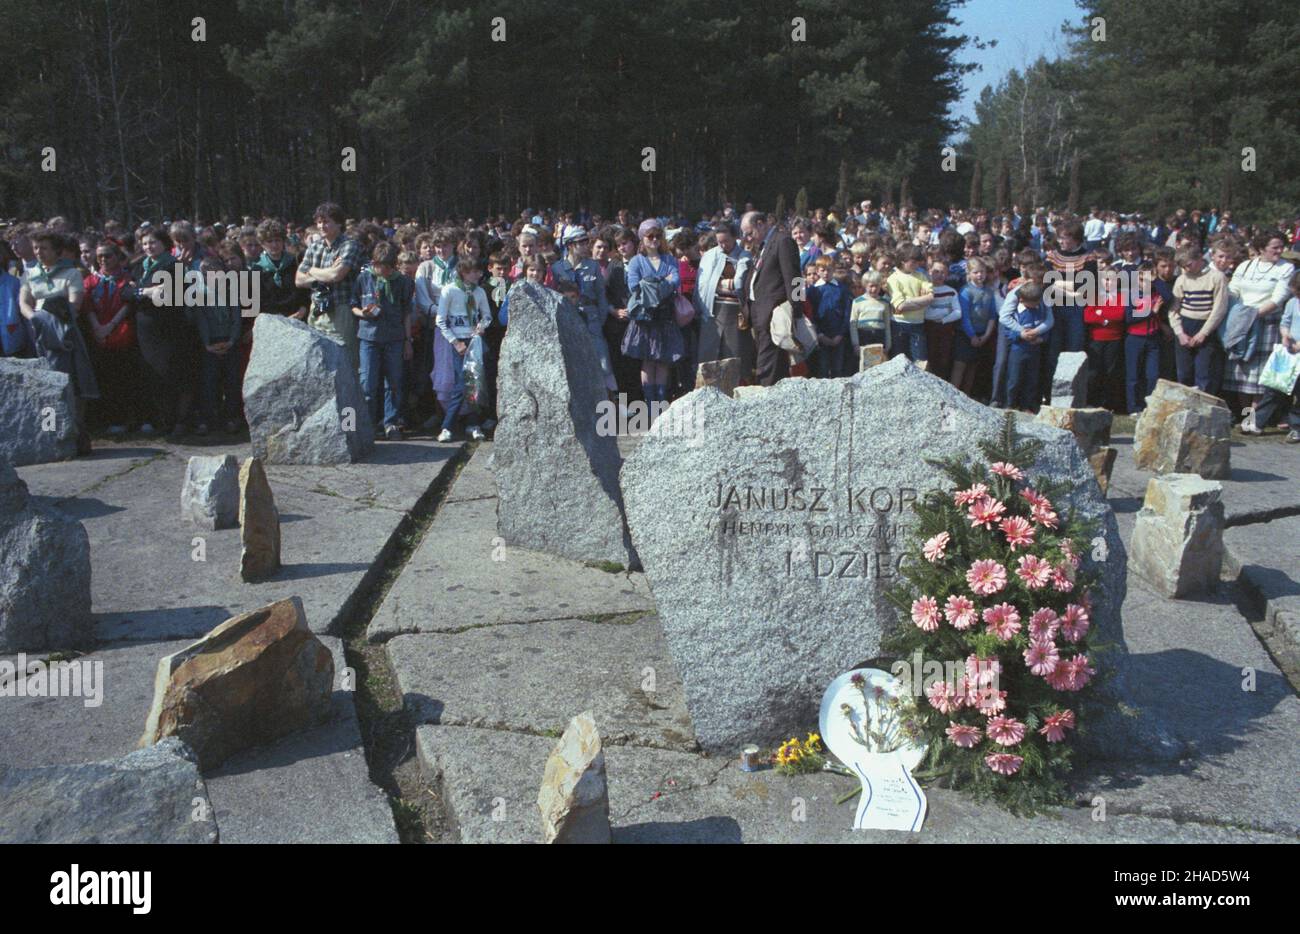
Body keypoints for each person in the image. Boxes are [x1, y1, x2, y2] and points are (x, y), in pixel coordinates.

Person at [20, 229, 99, 452]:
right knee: (45, 386)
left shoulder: (70, 273)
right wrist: (35, 317)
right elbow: (24, 302)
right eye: (36, 248)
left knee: (73, 384)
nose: (39, 252)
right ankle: (51, 433)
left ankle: (77, 431)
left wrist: (51, 313)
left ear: (57, 251)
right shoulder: (30, 273)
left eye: (44, 248)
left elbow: (74, 304)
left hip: (65, 334)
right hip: (39, 335)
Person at [1229, 232, 1296, 433]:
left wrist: (1253, 315)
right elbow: (1233, 289)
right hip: (1242, 321)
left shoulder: (1286, 268)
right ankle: (1246, 416)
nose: (1279, 251)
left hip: (1267, 323)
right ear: (1261, 249)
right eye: (1274, 247)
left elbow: (1279, 297)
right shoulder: (1246, 266)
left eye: (1281, 247)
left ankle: (1255, 421)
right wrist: (1239, 313)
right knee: (1242, 375)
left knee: (1260, 376)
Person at [353, 241, 414, 441]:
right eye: (380, 266)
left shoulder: (403, 282)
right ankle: (368, 422)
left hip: (395, 338)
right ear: (374, 263)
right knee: (368, 383)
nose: (384, 271)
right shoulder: (364, 278)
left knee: (394, 382)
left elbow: (406, 313)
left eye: (388, 267)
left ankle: (391, 422)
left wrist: (407, 340)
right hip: (369, 337)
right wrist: (362, 312)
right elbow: (352, 305)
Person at [621, 218, 684, 407]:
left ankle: (662, 402)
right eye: (650, 236)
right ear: (642, 239)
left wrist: (651, 283)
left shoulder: (669, 259)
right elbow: (633, 286)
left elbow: (676, 281)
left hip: (665, 316)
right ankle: (650, 405)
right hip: (645, 319)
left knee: (663, 360)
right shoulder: (636, 261)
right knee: (648, 361)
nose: (655, 240)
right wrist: (663, 282)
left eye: (658, 236)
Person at [81, 241, 143, 433]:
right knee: (106, 380)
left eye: (108, 255)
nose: (104, 260)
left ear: (117, 257)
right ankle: (112, 419)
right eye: (100, 256)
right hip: (99, 335)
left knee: (127, 378)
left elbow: (128, 304)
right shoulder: (91, 280)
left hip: (121, 333)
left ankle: (132, 418)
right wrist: (98, 328)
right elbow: (87, 305)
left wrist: (110, 326)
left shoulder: (126, 279)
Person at [296, 202, 362, 372]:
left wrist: (311, 270)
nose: (321, 226)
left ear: (339, 223)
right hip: (317, 309)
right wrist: (324, 273)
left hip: (342, 309)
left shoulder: (349, 245)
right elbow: (298, 280)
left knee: (347, 359)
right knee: (319, 360)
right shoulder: (314, 247)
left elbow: (337, 275)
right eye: (319, 222)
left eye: (326, 221)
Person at [550, 226, 616, 395]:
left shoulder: (592, 266)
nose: (585, 245)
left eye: (586, 242)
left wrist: (599, 319)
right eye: (581, 242)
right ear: (570, 245)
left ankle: (612, 402)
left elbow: (601, 295)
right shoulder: (558, 268)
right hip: (570, 321)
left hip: (591, 319)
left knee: (603, 362)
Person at [739, 211, 801, 386]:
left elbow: (795, 278)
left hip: (774, 314)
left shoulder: (783, 241)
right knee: (764, 365)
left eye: (749, 233)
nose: (747, 238)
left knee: (768, 368)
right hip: (757, 314)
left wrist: (797, 310)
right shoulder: (763, 246)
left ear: (761, 223)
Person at [433, 257, 491, 441]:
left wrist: (482, 327)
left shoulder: (479, 291)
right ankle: (447, 426)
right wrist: (455, 342)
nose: (478, 275)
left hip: (474, 340)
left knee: (474, 382)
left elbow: (487, 315)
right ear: (464, 272)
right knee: (461, 383)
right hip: (458, 341)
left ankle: (473, 423)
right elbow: (440, 320)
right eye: (474, 271)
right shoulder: (449, 290)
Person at [1168, 243, 1230, 395]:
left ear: (1199, 258)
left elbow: (1219, 309)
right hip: (1185, 326)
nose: (1187, 269)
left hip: (1206, 326)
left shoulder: (1217, 277)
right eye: (1183, 266)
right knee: (1184, 373)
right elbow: (1174, 310)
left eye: (1189, 264)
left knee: (1204, 374)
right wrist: (1179, 333)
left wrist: (1204, 333)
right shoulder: (1182, 280)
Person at [694, 220, 753, 378]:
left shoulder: (744, 256)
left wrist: (721, 284)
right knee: (708, 357)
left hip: (734, 313)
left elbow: (740, 283)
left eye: (726, 241)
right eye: (719, 242)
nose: (722, 245)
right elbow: (701, 285)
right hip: (711, 312)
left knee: (732, 356)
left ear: (735, 238)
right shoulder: (709, 256)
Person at [194, 252, 244, 436]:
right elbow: (202, 320)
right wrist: (207, 344)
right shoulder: (200, 294)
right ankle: (208, 418)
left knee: (232, 381)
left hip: (230, 341)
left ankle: (231, 417)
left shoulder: (231, 291)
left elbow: (236, 318)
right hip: (210, 343)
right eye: (207, 274)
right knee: (209, 382)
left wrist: (231, 341)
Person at [1251, 271, 1299, 440]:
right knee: (1274, 388)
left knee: (1298, 393)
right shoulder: (1293, 302)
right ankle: (1256, 422)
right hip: (1289, 353)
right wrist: (1285, 334)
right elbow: (1285, 321)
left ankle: (1296, 427)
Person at [1002, 281, 1053, 413]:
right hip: (1018, 351)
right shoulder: (1016, 314)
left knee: (1031, 380)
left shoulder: (1040, 310)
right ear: (1022, 300)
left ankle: (1027, 405)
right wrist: (1020, 335)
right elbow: (1008, 332)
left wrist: (1040, 338)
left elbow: (1046, 328)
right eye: (1034, 303)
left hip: (1034, 351)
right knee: (1014, 379)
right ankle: (1010, 404)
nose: (1037, 305)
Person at [951, 256, 996, 397]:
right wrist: (972, 336)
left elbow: (992, 315)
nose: (980, 275)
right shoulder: (965, 291)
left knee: (973, 367)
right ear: (969, 274)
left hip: (982, 334)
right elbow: (965, 316)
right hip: (966, 334)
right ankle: (952, 395)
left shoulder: (989, 291)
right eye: (976, 272)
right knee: (960, 365)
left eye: (982, 272)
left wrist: (986, 335)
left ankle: (967, 396)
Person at [885, 244, 934, 363]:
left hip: (918, 324)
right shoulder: (893, 278)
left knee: (920, 361)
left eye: (918, 262)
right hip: (899, 324)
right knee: (899, 361)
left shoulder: (921, 276)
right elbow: (900, 305)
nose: (917, 265)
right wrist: (921, 300)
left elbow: (931, 297)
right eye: (913, 262)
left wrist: (909, 301)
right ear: (903, 261)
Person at [253, 219, 308, 318]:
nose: (274, 245)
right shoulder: (256, 269)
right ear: (262, 244)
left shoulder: (295, 262)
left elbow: (305, 292)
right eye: (269, 241)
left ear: (283, 241)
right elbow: (256, 303)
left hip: (298, 317)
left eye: (277, 240)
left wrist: (303, 310)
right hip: (271, 321)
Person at [849, 270, 892, 365]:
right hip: (863, 336)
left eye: (877, 286)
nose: (874, 289)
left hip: (879, 335)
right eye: (871, 286)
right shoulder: (857, 302)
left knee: (878, 364)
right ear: (865, 285)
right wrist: (855, 344)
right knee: (864, 364)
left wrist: (888, 344)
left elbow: (887, 325)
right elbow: (853, 324)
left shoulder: (884, 303)